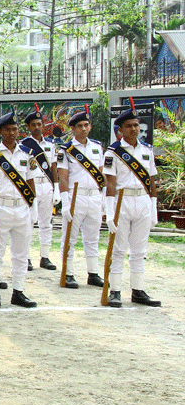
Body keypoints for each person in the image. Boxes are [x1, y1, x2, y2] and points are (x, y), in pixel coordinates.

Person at [102, 105, 162, 308]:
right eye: (129, 126)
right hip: (122, 201)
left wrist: (153, 208)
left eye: (136, 125)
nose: (134, 129)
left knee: (139, 250)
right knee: (119, 249)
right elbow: (110, 183)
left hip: (143, 201)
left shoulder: (147, 150)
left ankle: (137, 290)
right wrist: (109, 213)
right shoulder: (113, 152)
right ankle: (115, 290)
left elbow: (152, 181)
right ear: (120, 130)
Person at [0, 112, 40, 308]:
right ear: (0, 132)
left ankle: (19, 292)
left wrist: (33, 206)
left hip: (22, 208)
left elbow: (30, 181)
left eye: (14, 129)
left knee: (21, 254)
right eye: (7, 129)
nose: (12, 133)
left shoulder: (26, 154)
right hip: (1, 208)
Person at [56, 107, 105, 288]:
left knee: (93, 238)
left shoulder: (97, 147)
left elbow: (101, 174)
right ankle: (68, 273)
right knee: (69, 238)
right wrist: (66, 202)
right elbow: (63, 176)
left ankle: (93, 273)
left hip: (94, 197)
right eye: (79, 126)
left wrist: (104, 199)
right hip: (75, 197)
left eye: (86, 125)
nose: (83, 128)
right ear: (73, 129)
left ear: (90, 127)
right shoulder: (66, 150)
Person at [22, 107, 58, 271]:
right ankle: (26, 257)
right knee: (29, 223)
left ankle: (45, 257)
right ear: (28, 127)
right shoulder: (23, 146)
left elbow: (54, 168)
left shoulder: (51, 145)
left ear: (43, 125)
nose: (37, 127)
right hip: (31, 186)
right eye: (33, 125)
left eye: (39, 124)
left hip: (47, 186)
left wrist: (56, 188)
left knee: (46, 223)